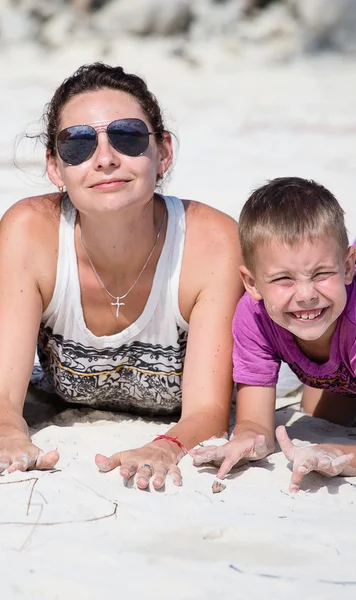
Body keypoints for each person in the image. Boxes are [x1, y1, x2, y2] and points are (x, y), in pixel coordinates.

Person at [0, 63, 243, 490]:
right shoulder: (29, 232)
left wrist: (166, 446)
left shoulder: (212, 242)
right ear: (56, 168)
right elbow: (4, 396)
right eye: (77, 145)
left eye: (127, 136)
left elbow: (207, 410)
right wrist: (9, 434)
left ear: (163, 152)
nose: (106, 159)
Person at [191, 177, 356, 492]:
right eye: (283, 278)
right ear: (252, 283)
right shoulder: (254, 315)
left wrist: (334, 454)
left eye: (322, 274)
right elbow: (255, 424)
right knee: (320, 415)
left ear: (348, 267)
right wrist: (247, 440)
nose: (306, 295)